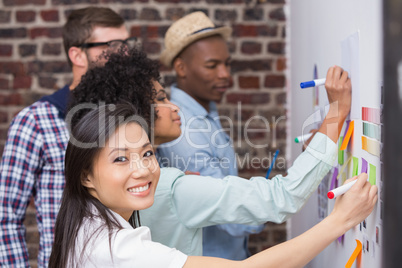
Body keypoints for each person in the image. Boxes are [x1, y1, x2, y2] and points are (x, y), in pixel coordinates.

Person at [69, 47, 358, 257]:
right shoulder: (169, 188)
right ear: (132, 112)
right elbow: (279, 198)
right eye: (160, 99)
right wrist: (336, 112)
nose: (175, 107)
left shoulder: (91, 214)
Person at [49, 102, 377, 267]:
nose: (143, 169)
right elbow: (280, 198)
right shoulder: (115, 247)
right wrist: (341, 220)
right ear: (86, 176)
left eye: (147, 153)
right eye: (121, 159)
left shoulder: (87, 221)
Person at [0, 7, 136, 267]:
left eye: (126, 44)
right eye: (113, 45)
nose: (125, 54)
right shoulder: (36, 121)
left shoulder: (131, 117)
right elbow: (5, 215)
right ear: (77, 54)